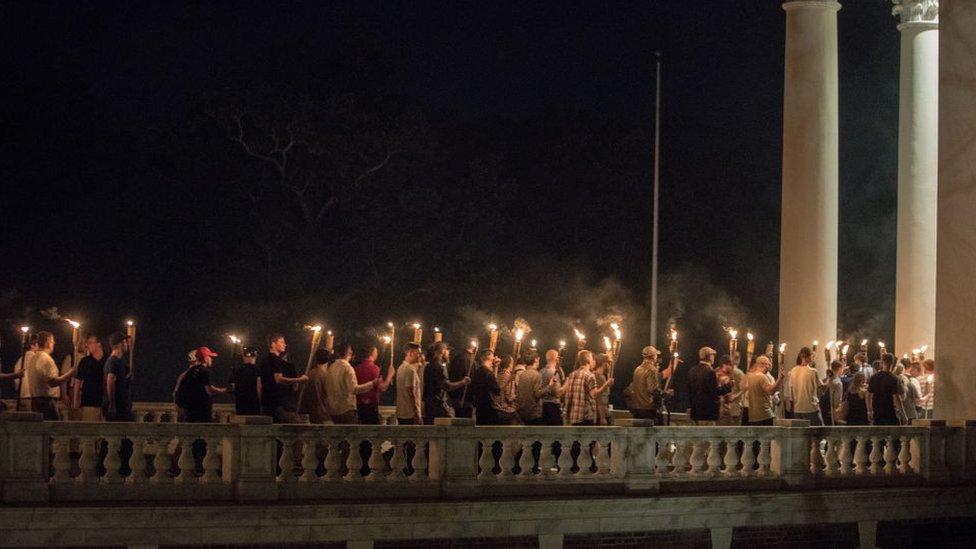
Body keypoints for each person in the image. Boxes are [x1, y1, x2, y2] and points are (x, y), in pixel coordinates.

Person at [22, 331, 76, 420]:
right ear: (48, 342)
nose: (54, 343)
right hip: (46, 402)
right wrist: (70, 373)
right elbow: (52, 382)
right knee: (52, 429)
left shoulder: (34, 358)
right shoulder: (45, 359)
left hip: (36, 401)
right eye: (52, 341)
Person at [327, 343, 381, 424]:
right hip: (346, 409)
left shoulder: (331, 367)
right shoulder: (347, 368)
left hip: (332, 410)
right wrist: (372, 383)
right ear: (349, 353)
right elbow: (354, 389)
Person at [259, 334, 307, 423]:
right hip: (278, 404)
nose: (285, 345)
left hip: (266, 403)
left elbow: (260, 383)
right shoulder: (276, 360)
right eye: (282, 342)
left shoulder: (264, 360)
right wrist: (300, 379)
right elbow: (279, 379)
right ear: (273, 344)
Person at [558, 350, 612, 426]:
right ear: (588, 360)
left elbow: (562, 393)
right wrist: (606, 385)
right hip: (585, 417)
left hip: (573, 416)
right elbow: (594, 395)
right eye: (592, 359)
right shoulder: (590, 376)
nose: (594, 361)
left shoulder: (572, 375)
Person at [422, 342, 470, 424]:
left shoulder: (429, 365)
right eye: (448, 351)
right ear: (443, 351)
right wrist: (463, 382)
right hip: (439, 406)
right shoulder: (438, 366)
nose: (448, 354)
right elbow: (447, 386)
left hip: (430, 406)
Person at [175, 347, 226, 423]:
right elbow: (209, 390)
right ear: (205, 358)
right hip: (202, 411)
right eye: (210, 357)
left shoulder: (189, 372)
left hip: (190, 411)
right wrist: (223, 391)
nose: (212, 359)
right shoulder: (204, 371)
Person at [687, 346, 732, 425]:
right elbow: (715, 392)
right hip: (707, 413)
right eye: (713, 355)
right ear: (709, 357)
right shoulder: (710, 372)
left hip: (695, 412)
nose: (714, 357)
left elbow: (689, 391)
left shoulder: (692, 370)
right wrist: (729, 385)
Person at [353, 345, 395, 424]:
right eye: (376, 351)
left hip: (358, 406)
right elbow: (383, 387)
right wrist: (390, 375)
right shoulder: (374, 368)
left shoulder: (356, 368)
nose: (377, 353)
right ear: (372, 353)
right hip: (370, 406)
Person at [625, 346, 665, 423]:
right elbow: (653, 390)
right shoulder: (652, 369)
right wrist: (664, 394)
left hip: (636, 409)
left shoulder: (637, 369)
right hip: (648, 409)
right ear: (653, 357)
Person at [72, 334, 107, 421]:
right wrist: (75, 400)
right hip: (89, 401)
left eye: (90, 343)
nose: (87, 345)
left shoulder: (108, 360)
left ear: (98, 344)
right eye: (87, 343)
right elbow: (77, 381)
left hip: (105, 402)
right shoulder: (85, 361)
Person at [743, 355, 786, 426]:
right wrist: (780, 379)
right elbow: (770, 391)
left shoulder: (750, 377)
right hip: (764, 414)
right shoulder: (762, 377)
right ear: (763, 364)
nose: (769, 366)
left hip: (753, 416)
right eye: (768, 364)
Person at [102, 331, 133, 422]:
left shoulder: (119, 361)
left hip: (122, 405)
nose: (127, 344)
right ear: (120, 344)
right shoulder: (113, 361)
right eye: (125, 342)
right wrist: (112, 404)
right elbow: (110, 381)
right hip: (118, 407)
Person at [789, 347, 824, 426]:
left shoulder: (793, 370)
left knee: (802, 434)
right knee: (819, 432)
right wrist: (830, 379)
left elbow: (790, 390)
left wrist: (792, 406)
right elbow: (822, 388)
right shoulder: (813, 371)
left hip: (797, 408)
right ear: (809, 357)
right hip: (811, 408)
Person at [299, 348, 332, 424]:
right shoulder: (323, 375)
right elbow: (323, 396)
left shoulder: (311, 373)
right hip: (322, 414)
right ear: (328, 360)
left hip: (312, 413)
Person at [867, 353, 902, 425]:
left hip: (877, 410)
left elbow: (868, 396)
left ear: (882, 362)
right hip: (890, 410)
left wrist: (870, 411)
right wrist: (903, 414)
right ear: (892, 363)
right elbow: (897, 398)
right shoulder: (894, 378)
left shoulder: (874, 377)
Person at [470, 348, 501, 425]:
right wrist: (496, 368)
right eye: (492, 355)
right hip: (489, 408)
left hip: (479, 407)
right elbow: (497, 390)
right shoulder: (489, 373)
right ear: (489, 357)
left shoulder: (476, 372)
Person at [515, 351, 547, 425]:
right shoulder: (536, 375)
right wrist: (550, 386)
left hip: (522, 412)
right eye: (538, 359)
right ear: (536, 360)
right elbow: (537, 394)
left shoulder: (522, 374)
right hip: (534, 414)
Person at [395, 342, 424, 425]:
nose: (420, 356)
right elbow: (411, 393)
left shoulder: (401, 368)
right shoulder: (410, 370)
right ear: (410, 353)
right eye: (418, 354)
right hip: (410, 414)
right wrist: (417, 414)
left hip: (401, 412)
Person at [228, 346, 262, 416]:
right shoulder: (258, 370)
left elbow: (232, 387)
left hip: (240, 403)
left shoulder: (236, 371)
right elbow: (259, 387)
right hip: (254, 403)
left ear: (243, 357)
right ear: (255, 357)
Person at [448, 340, 477, 418]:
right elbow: (472, 377)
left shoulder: (457, 357)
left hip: (455, 395)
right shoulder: (469, 359)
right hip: (465, 397)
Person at [491, 355, 521, 425]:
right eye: (512, 362)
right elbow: (509, 396)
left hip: (497, 408)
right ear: (510, 364)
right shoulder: (507, 376)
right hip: (505, 410)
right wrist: (517, 397)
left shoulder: (499, 374)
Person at [538, 349, 565, 425]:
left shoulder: (541, 371)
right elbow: (557, 393)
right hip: (553, 407)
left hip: (542, 406)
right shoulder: (554, 372)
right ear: (556, 359)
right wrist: (567, 383)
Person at [592, 354, 612, 425]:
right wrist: (602, 418)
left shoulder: (594, 375)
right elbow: (600, 399)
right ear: (604, 364)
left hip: (596, 414)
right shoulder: (600, 377)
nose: (610, 366)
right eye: (609, 363)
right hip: (600, 415)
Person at [824, 361, 844, 425]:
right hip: (832, 410)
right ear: (839, 369)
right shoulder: (838, 383)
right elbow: (837, 400)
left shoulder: (826, 380)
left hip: (825, 408)